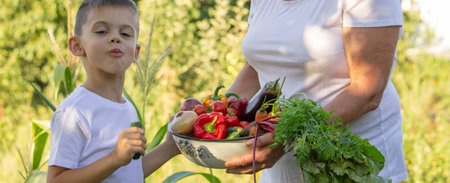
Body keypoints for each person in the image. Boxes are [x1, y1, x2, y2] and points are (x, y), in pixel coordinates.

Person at [225, 0, 408, 182]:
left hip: (349, 167)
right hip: (281, 169)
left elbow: (368, 90)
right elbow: (254, 68)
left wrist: (290, 139)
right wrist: (216, 113)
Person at [46, 0, 180, 182]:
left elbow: (129, 174)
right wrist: (114, 159)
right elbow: (55, 180)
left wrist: (170, 147)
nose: (115, 38)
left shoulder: (128, 108)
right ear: (77, 46)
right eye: (102, 31)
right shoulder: (73, 113)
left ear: (135, 52)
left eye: (125, 34)